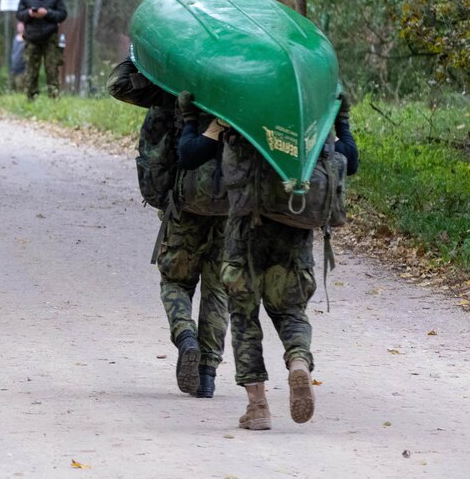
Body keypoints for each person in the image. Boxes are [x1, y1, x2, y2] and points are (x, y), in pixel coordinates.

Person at [177, 91, 359, 428]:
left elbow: (189, 155)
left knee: (244, 318)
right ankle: (299, 363)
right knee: (291, 311)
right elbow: (350, 159)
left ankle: (258, 406)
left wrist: (190, 117)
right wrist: (341, 122)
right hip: (294, 231)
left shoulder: (237, 111)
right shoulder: (308, 123)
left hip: (245, 232)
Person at [108, 59, 229, 398]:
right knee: (218, 289)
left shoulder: (172, 82)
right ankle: (207, 375)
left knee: (175, 280)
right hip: (232, 204)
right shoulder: (242, 85)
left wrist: (147, 55)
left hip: (185, 203)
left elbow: (118, 84)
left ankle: (185, 335)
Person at [16, 0, 67, 100]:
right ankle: (31, 98)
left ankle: (54, 98)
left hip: (50, 37)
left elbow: (62, 15)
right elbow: (19, 14)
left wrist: (48, 13)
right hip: (31, 38)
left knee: (52, 69)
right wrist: (28, 14)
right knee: (31, 70)